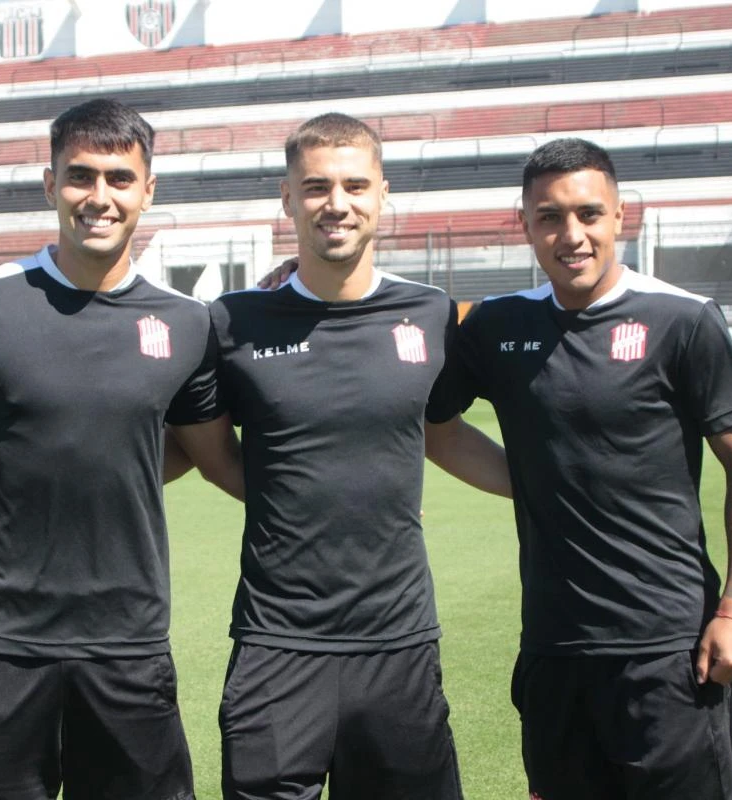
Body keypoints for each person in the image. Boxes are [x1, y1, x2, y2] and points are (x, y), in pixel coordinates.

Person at [0, 98, 240, 800]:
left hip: (129, 645)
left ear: (149, 191)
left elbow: (214, 460)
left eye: (120, 178)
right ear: (50, 184)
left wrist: (344, 489)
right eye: (81, 176)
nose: (100, 197)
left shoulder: (186, 324)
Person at [428, 137, 732, 799]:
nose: (571, 234)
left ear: (619, 217)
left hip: (668, 649)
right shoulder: (498, 327)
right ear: (525, 224)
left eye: (589, 214)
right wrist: (534, 482)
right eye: (550, 217)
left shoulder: (682, 320)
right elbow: (435, 429)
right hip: (554, 650)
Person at [208, 112, 509, 800]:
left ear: (381, 194)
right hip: (275, 644)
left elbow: (446, 434)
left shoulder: (431, 314)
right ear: (287, 199)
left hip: (397, 643)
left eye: (353, 186)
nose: (335, 204)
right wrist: (293, 496)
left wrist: (545, 484)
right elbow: (208, 451)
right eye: (315, 187)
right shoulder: (231, 323)